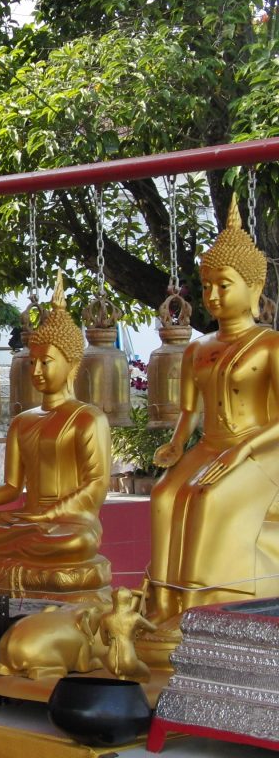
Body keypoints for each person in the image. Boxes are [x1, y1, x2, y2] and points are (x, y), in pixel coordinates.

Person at [147, 199, 279, 623]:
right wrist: (176, 445)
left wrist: (242, 451)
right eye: (206, 286)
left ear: (253, 288)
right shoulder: (198, 348)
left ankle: (201, 607)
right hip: (210, 445)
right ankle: (162, 602)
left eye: (224, 285)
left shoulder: (270, 345)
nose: (213, 296)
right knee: (164, 496)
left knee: (205, 498)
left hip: (260, 449)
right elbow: (190, 410)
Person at [0, 273, 112, 599]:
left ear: (71, 363)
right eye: (32, 362)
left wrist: (48, 515)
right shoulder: (23, 422)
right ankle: (20, 555)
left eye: (45, 363)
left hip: (69, 523)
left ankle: (24, 556)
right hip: (27, 519)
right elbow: (12, 486)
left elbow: (96, 485)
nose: (35, 371)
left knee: (72, 543)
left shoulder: (88, 419)